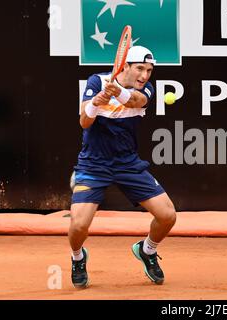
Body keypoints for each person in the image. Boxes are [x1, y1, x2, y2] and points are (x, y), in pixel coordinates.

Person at [69, 45, 176, 288]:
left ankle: (147, 250)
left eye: (149, 70)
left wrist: (116, 91)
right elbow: (85, 122)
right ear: (124, 66)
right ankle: (77, 257)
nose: (145, 75)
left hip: (128, 163)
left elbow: (136, 101)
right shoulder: (97, 81)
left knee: (168, 215)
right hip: (94, 164)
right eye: (140, 68)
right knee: (78, 225)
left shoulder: (145, 88)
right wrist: (96, 102)